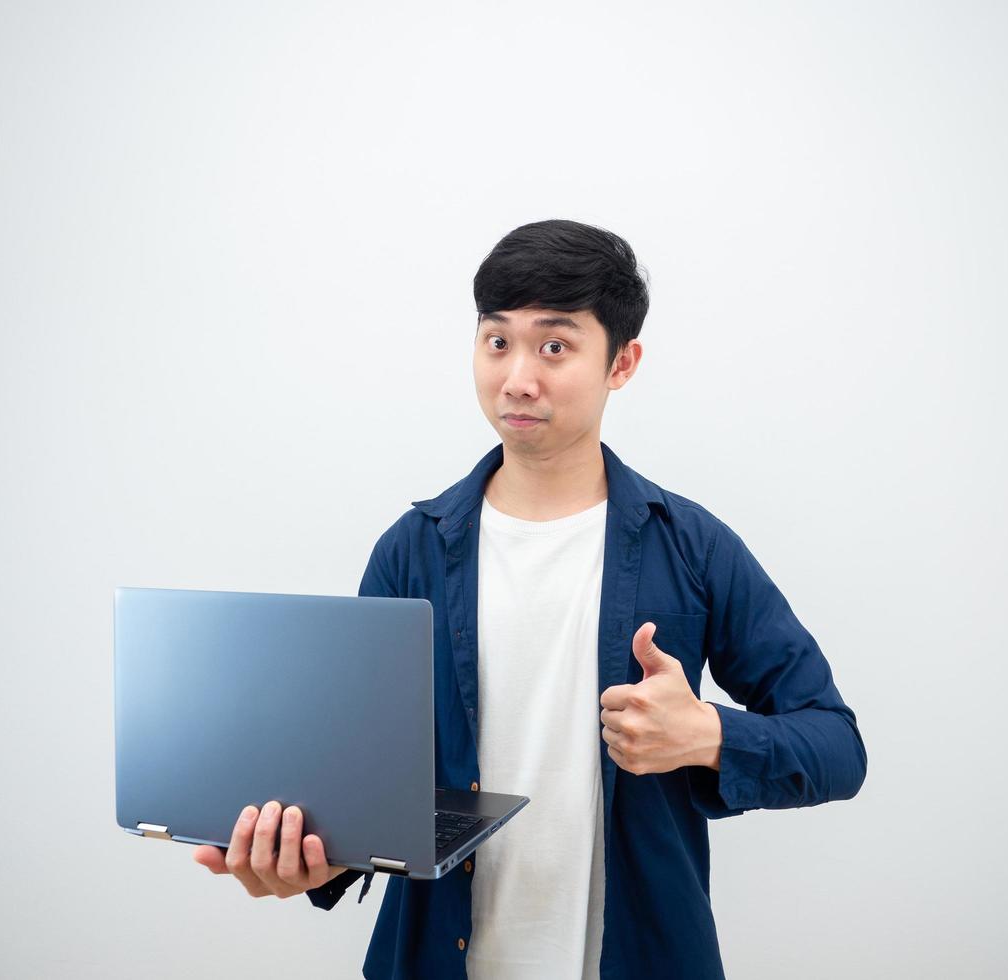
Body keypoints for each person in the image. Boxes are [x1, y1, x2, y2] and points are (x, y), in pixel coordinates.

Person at [192, 218, 868, 978]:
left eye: (554, 345)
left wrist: (706, 734)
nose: (517, 377)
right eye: (496, 341)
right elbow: (367, 788)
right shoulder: (409, 552)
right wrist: (313, 860)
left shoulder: (695, 547)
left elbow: (837, 748)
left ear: (622, 362)